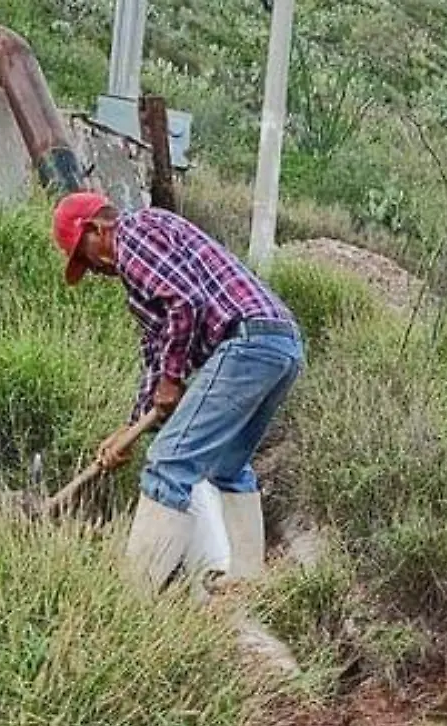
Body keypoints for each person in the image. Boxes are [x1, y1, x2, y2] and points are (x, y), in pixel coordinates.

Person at [50, 190, 304, 596]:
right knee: (228, 465)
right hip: (281, 345)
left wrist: (172, 381)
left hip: (247, 342)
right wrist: (129, 430)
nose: (92, 269)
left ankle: (133, 594)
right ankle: (246, 581)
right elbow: (158, 354)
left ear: (98, 230)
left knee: (167, 465)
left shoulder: (132, 236)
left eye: (83, 255)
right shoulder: (142, 269)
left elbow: (185, 302)